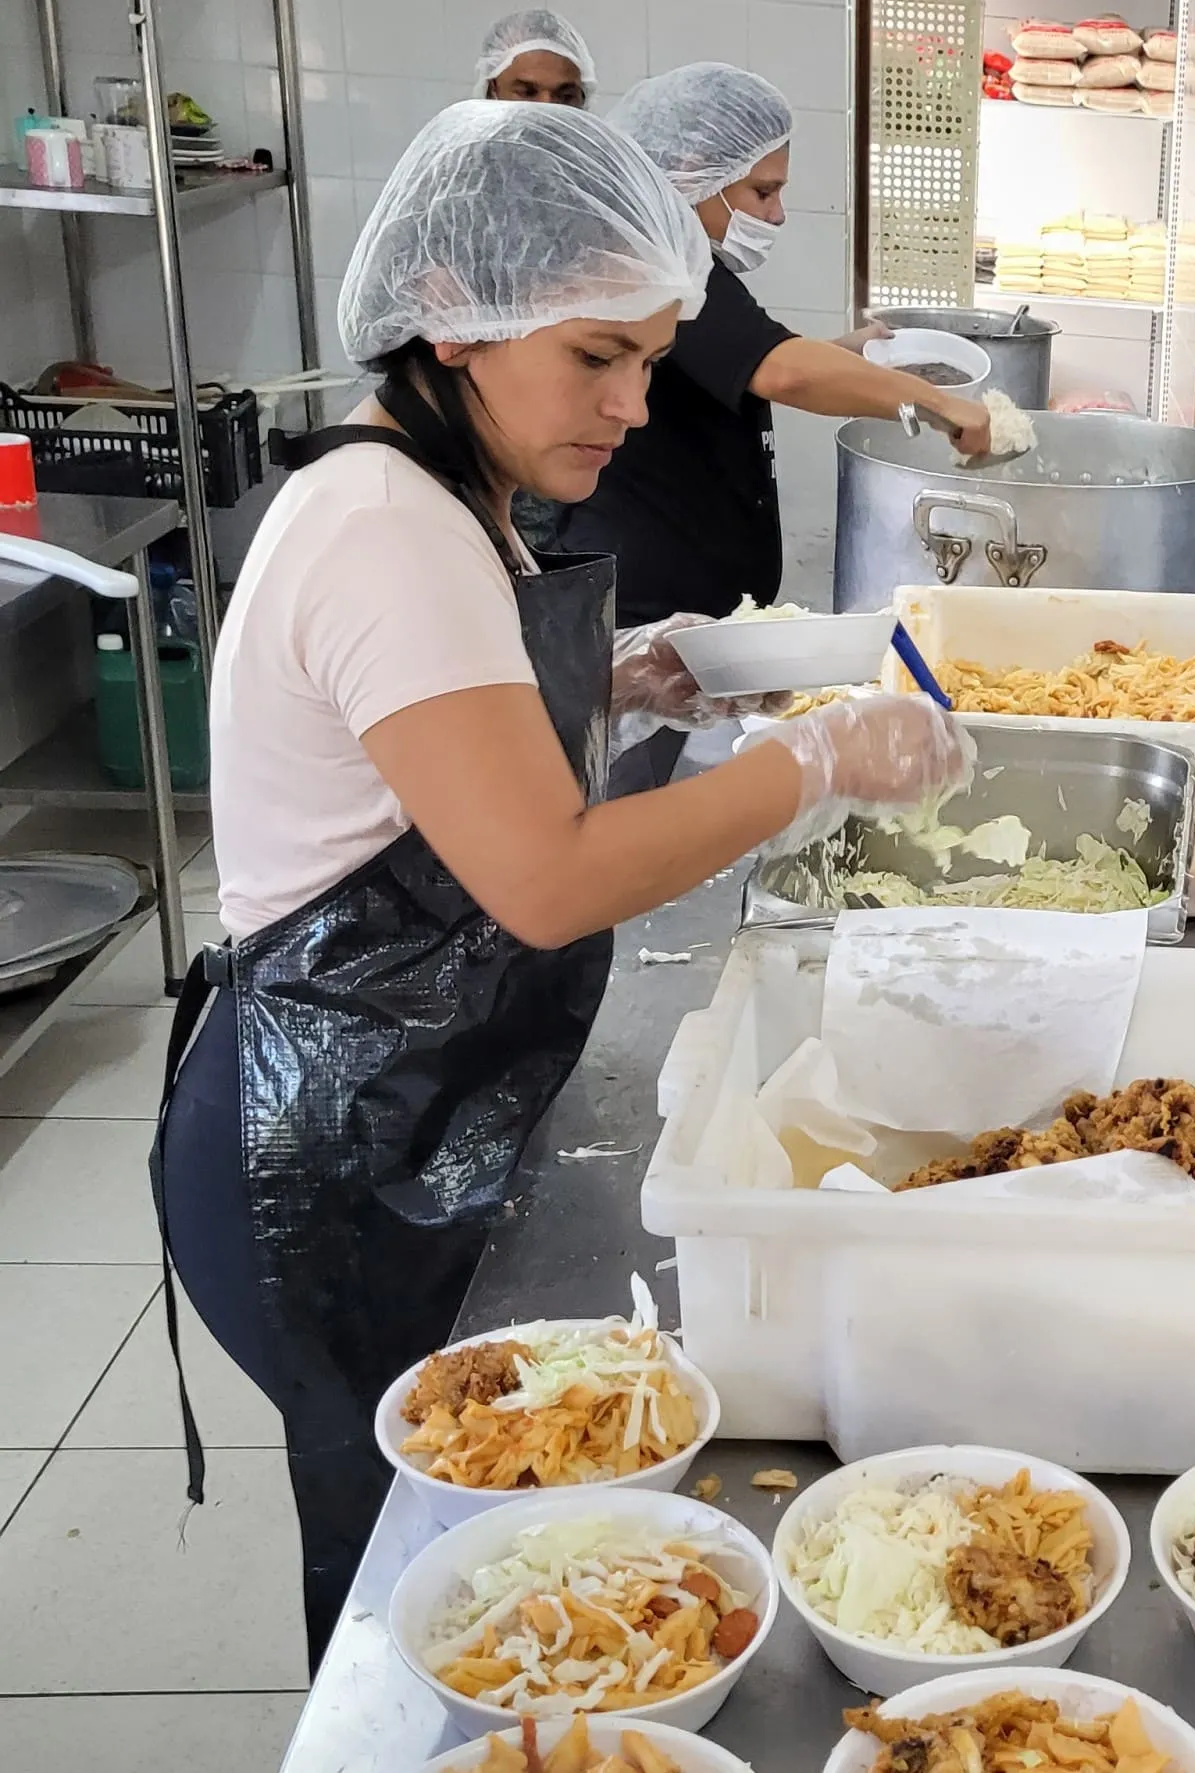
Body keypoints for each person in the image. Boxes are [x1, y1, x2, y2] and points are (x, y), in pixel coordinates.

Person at [149, 100, 969, 1667]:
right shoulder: (388, 528)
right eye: (598, 357)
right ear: (452, 313)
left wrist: (632, 686)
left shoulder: (444, 499)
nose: (635, 405)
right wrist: (810, 763)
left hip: (403, 1098)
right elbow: (541, 876)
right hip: (320, 1148)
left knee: (484, 1541)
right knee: (422, 1558)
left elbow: (425, 757)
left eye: (653, 360)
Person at [551, 62, 992, 641]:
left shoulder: (670, 266)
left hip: (680, 607)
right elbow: (781, 371)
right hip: (643, 609)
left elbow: (726, 372)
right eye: (763, 191)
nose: (776, 214)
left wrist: (844, 356)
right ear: (689, 173)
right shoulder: (661, 267)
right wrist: (938, 405)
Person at [475, 8, 594, 105]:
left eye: (566, 96)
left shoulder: (599, 134)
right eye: (527, 93)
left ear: (583, 98)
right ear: (492, 91)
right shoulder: (462, 134)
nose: (547, 106)